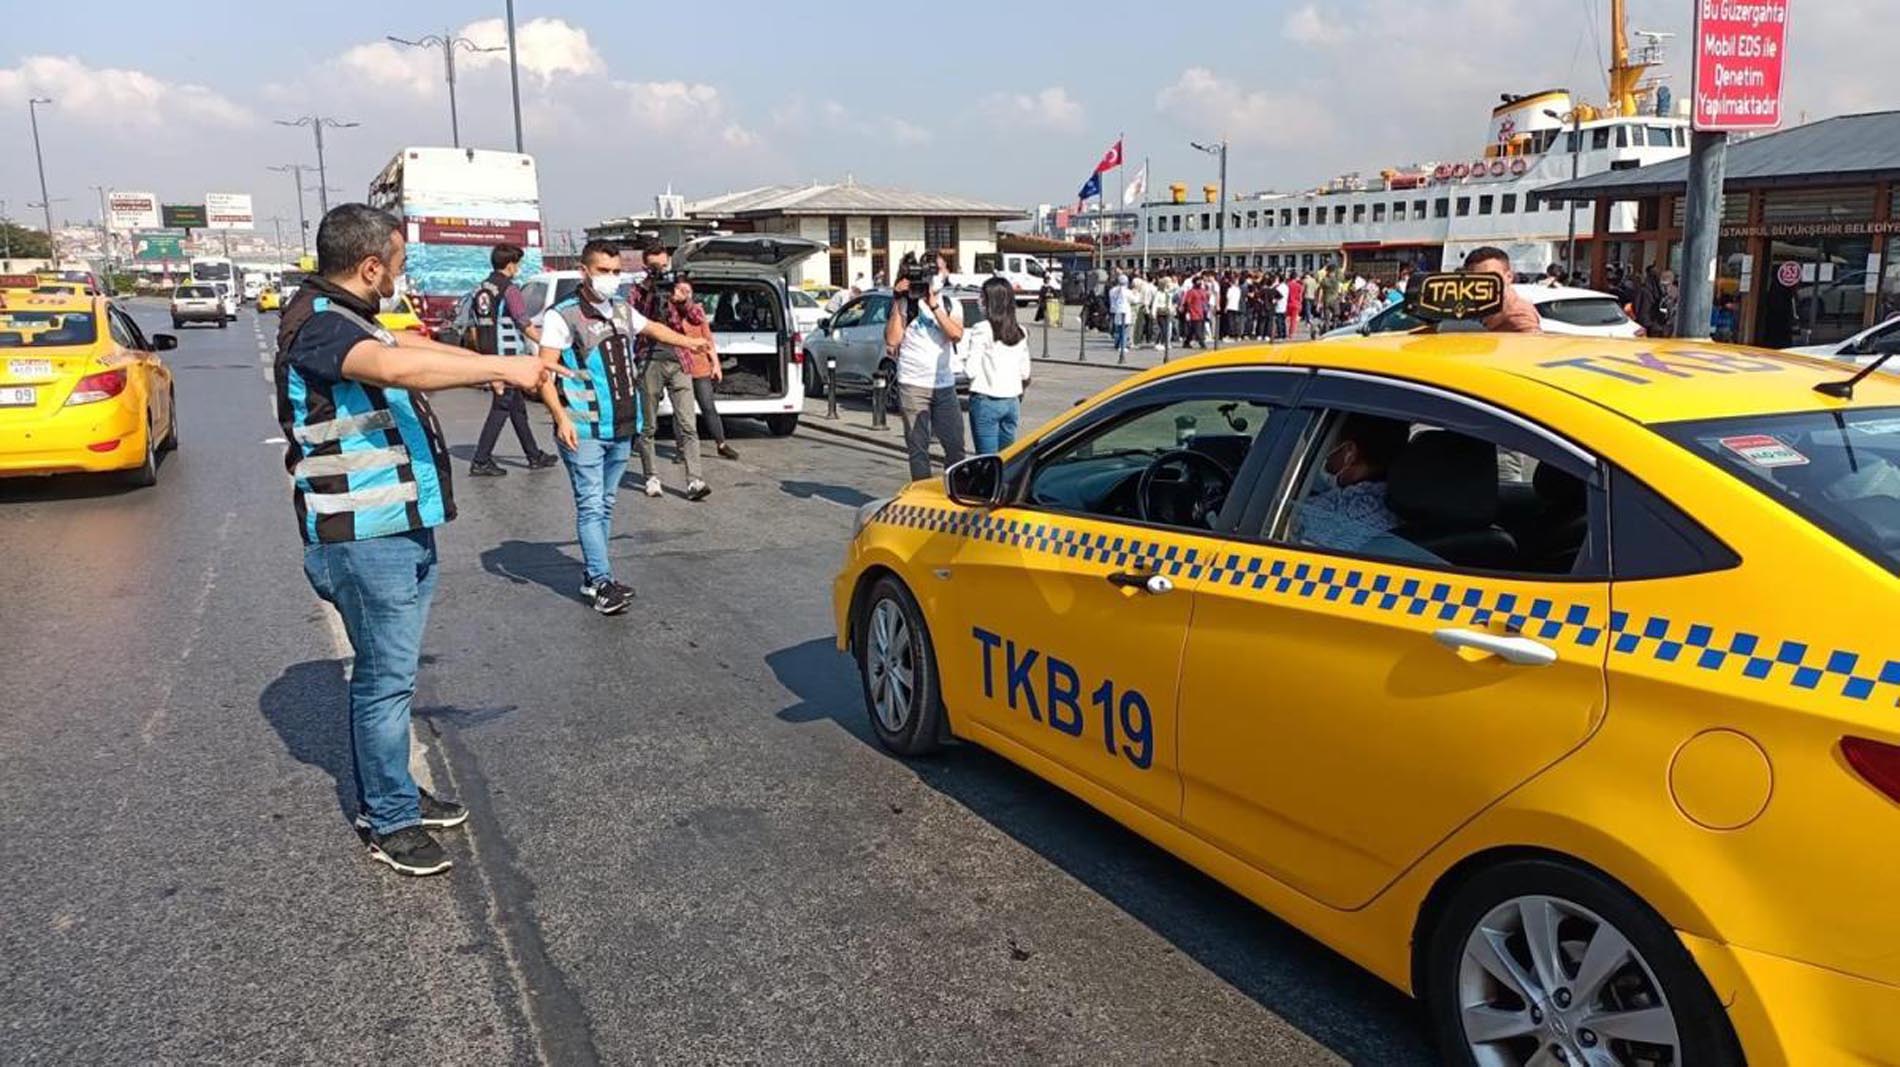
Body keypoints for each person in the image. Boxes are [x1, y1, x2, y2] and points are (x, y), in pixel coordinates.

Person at [278, 203, 556, 876]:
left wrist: (490, 364)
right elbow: (395, 368)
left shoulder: (348, 316)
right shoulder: (317, 325)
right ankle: (389, 817)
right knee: (383, 683)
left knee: (391, 679)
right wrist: (511, 371)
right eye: (398, 265)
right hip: (362, 536)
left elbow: (411, 349)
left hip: (394, 528)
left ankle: (396, 791)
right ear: (370, 265)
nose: (400, 276)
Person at [536, 239, 713, 614]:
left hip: (621, 425)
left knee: (606, 503)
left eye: (616, 272)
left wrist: (692, 343)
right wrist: (561, 417)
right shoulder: (562, 316)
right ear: (584, 271)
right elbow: (543, 373)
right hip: (583, 429)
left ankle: (593, 576)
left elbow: (654, 330)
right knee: (591, 505)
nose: (610, 279)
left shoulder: (620, 309)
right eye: (603, 271)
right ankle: (601, 582)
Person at [467, 243, 558, 477]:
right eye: (518, 264)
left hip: (490, 354)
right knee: (502, 406)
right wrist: (545, 343)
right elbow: (523, 323)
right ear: (510, 265)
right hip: (507, 357)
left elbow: (473, 327)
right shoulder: (509, 289)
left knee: (516, 407)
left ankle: (533, 455)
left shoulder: (480, 290)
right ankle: (481, 459)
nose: (518, 268)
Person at [632, 239, 711, 501]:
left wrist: (683, 300)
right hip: (650, 359)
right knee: (649, 425)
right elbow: (633, 320)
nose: (660, 271)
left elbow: (698, 319)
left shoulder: (678, 287)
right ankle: (651, 476)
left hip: (679, 360)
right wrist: (650, 292)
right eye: (655, 267)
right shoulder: (638, 291)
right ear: (645, 265)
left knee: (688, 423)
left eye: (663, 266)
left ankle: (695, 480)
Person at [883, 251, 967, 481]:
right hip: (912, 382)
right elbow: (892, 340)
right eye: (933, 271)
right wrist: (898, 299)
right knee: (918, 447)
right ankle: (921, 494)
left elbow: (955, 335)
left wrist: (934, 306)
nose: (938, 275)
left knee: (955, 444)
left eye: (939, 270)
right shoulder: (907, 303)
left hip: (944, 383)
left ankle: (954, 490)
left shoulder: (951, 304)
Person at [1289, 414, 1411, 552]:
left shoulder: (1328, 511)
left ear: (1349, 453)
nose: (1325, 457)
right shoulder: (1406, 509)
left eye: (1326, 446)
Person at [667, 277, 740, 461]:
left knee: (708, 407)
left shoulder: (697, 312)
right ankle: (681, 449)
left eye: (688, 291)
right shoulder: (669, 312)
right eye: (681, 290)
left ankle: (721, 444)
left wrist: (715, 364)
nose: (685, 294)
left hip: (700, 367)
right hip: (679, 367)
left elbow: (708, 340)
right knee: (681, 411)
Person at [965, 277, 1034, 454]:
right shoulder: (1021, 331)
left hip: (986, 399)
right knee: (1007, 458)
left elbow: (970, 370)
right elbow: (1025, 373)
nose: (979, 302)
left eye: (982, 297)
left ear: (991, 302)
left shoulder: (982, 328)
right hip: (1012, 401)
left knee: (987, 461)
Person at [1463, 246, 1542, 333]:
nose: (1483, 283)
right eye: (1475, 279)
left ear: (1509, 277)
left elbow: (1533, 342)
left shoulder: (1517, 315)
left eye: (1491, 277)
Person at [1108, 272, 1131, 359]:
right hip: (1125, 311)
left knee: (1117, 329)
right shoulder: (1127, 291)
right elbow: (1134, 299)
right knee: (1125, 330)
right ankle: (1122, 346)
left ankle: (1117, 344)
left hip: (1115, 311)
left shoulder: (1112, 290)